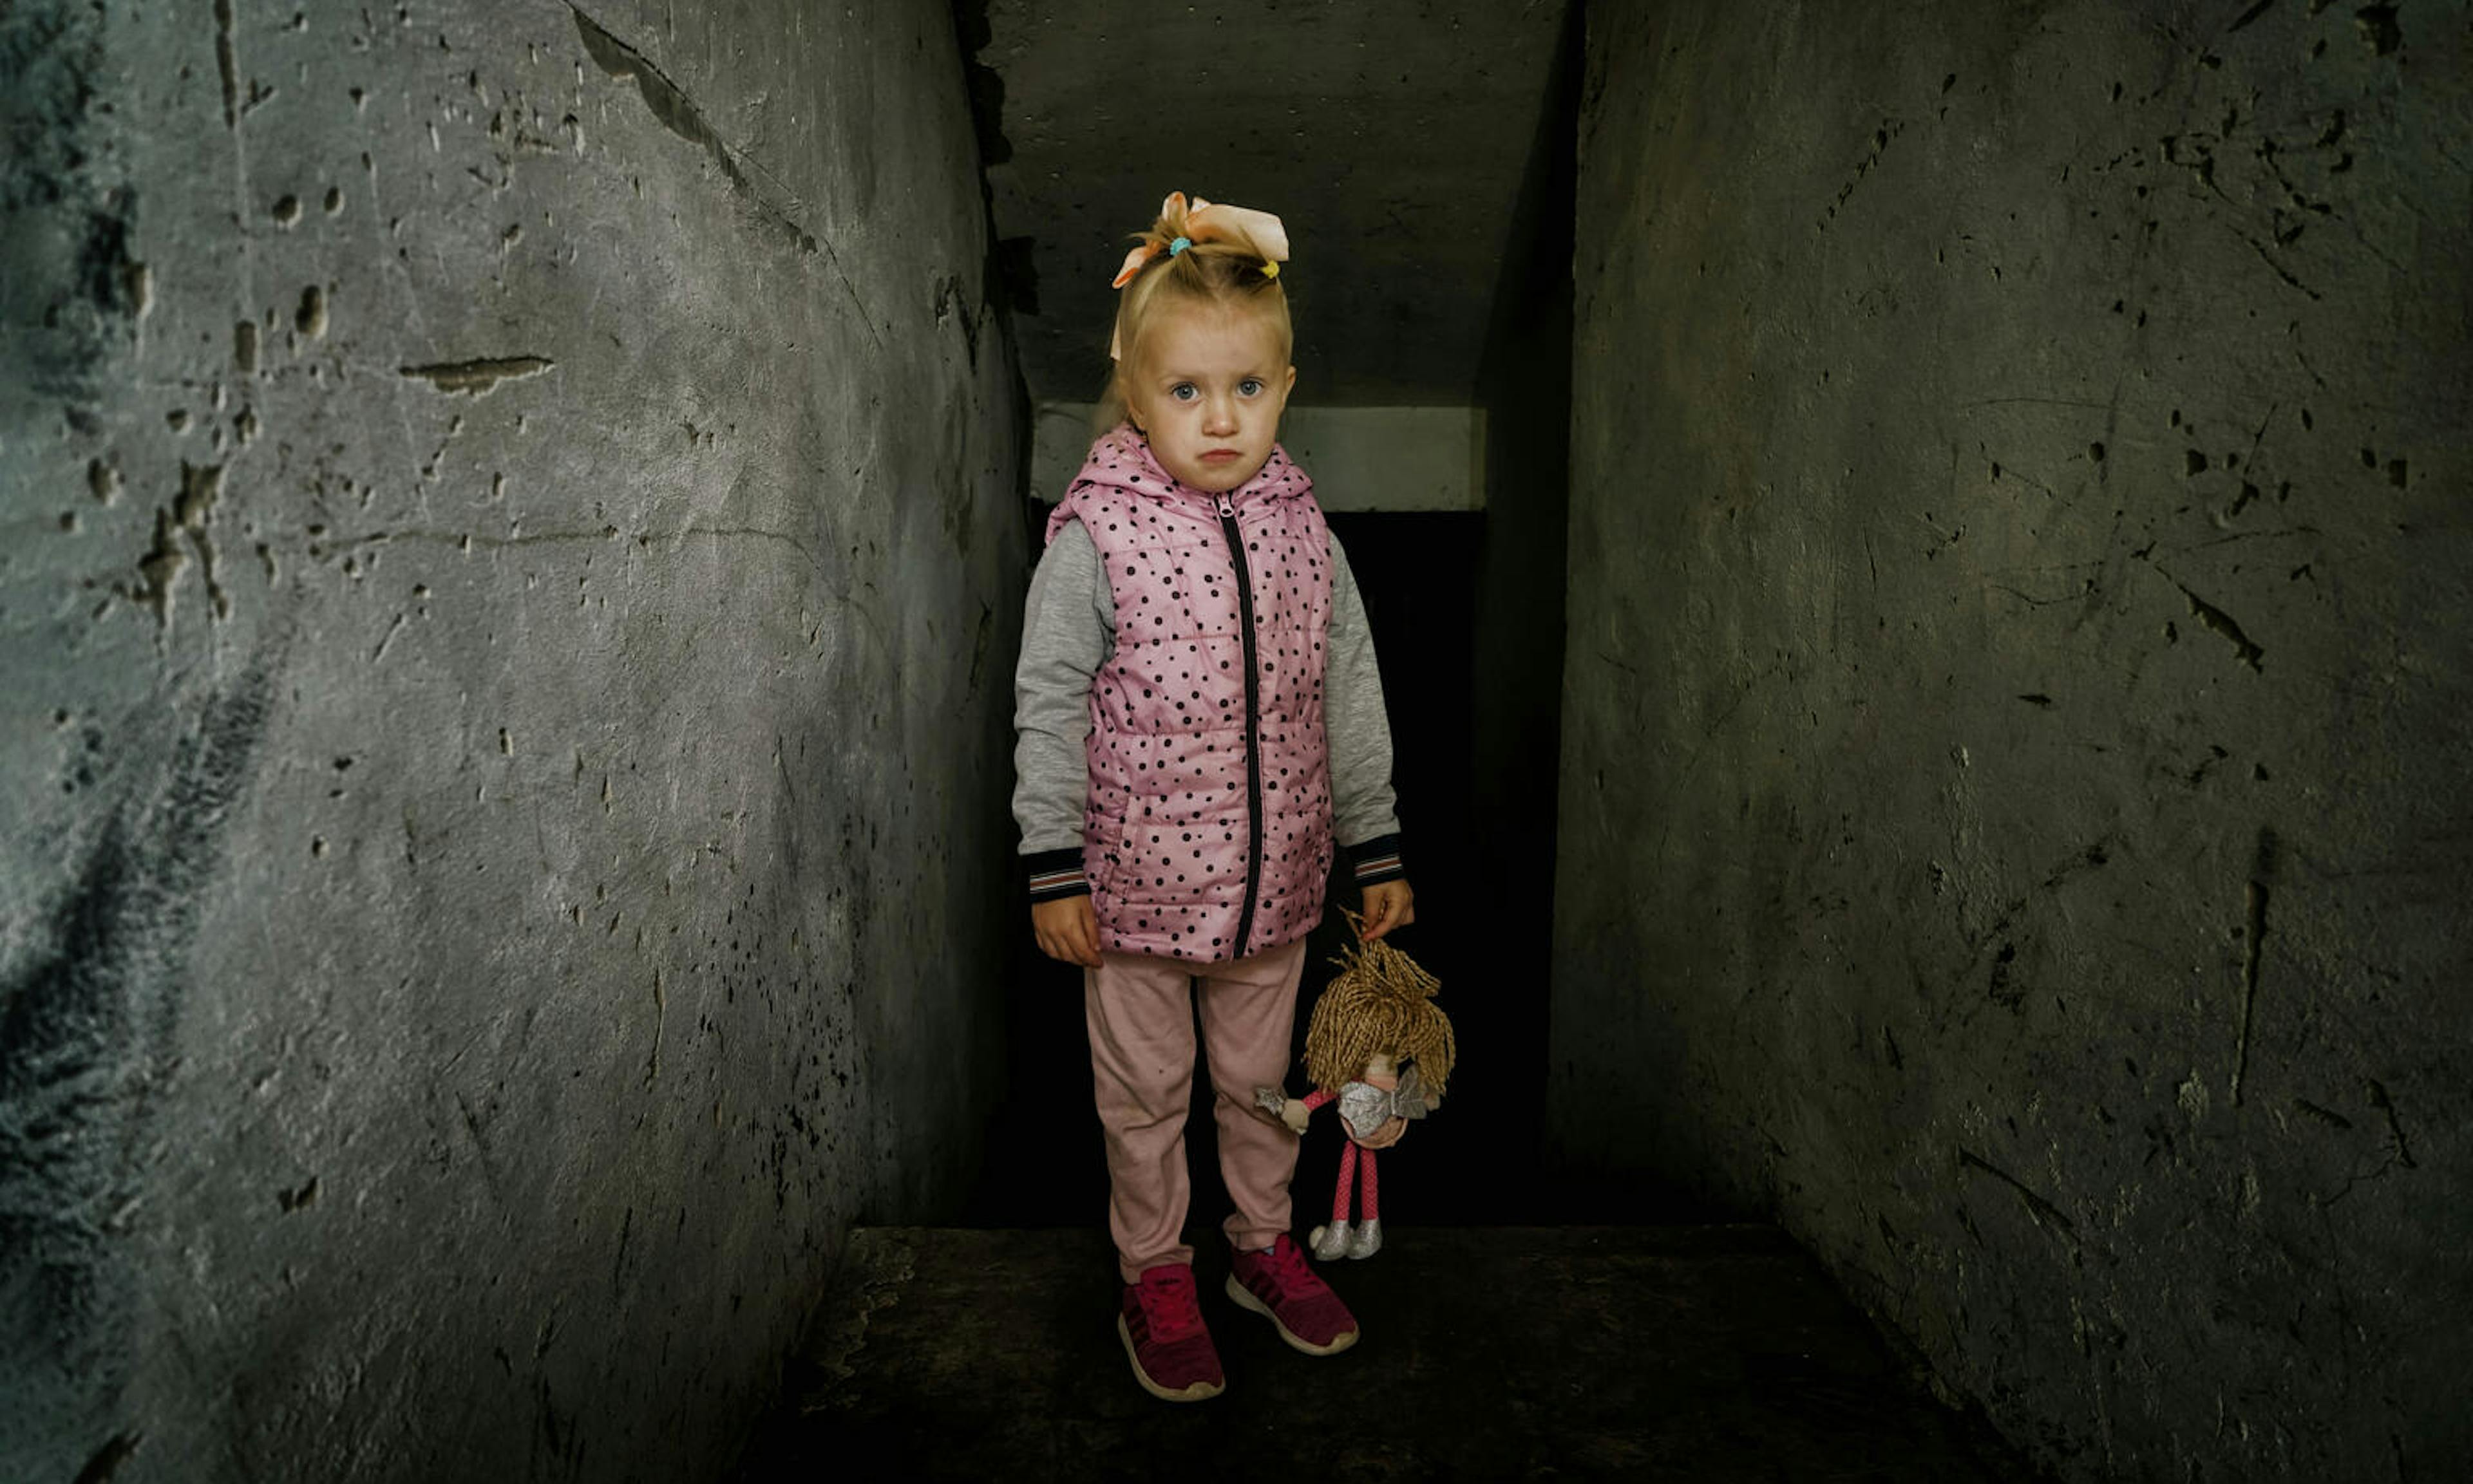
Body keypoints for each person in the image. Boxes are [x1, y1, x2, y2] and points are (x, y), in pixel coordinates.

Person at [1012, 191, 1416, 1403]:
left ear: (1287, 385)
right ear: (1135, 392)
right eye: (1187, 391)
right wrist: (1054, 865)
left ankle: (1258, 1248)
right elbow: (1046, 701)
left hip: (1277, 894)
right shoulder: (1097, 535)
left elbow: (1348, 688)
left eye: (1248, 387)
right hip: (1129, 900)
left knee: (1261, 1094)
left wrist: (1375, 840)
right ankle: (1156, 1272)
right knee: (1145, 1101)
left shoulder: (1307, 532)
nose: (1221, 418)